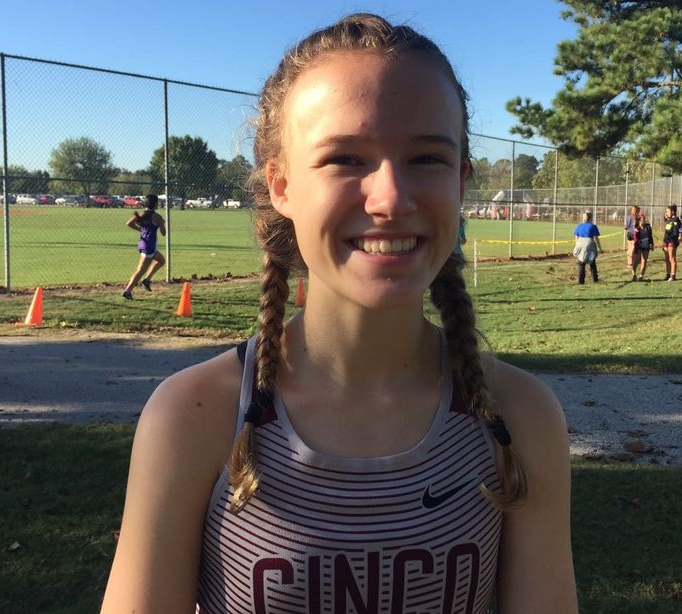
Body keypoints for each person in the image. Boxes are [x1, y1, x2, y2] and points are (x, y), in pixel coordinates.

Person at [101, 14, 577, 613]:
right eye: (345, 159)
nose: (391, 198)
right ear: (282, 186)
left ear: (460, 182)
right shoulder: (196, 417)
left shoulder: (518, 417)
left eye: (426, 159)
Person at [122, 195, 167, 300]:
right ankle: (127, 291)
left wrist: (140, 230)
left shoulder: (142, 214)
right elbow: (164, 233)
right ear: (155, 204)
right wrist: (162, 224)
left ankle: (147, 280)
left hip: (143, 243)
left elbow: (129, 223)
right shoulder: (157, 217)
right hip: (149, 246)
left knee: (161, 261)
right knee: (140, 270)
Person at [573, 210, 602, 284]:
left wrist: (577, 246)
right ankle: (595, 279)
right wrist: (599, 248)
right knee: (592, 262)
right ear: (590, 218)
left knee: (581, 263)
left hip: (580, 243)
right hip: (589, 243)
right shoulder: (593, 226)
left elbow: (576, 236)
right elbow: (596, 238)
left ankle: (581, 281)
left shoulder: (579, 225)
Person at [631, 211, 654, 281]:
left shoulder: (648, 227)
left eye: (644, 219)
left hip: (646, 247)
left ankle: (641, 276)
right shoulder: (637, 228)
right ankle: (634, 275)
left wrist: (652, 244)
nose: (643, 220)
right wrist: (637, 242)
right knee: (636, 261)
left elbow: (650, 237)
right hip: (638, 247)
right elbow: (635, 238)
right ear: (639, 221)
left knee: (644, 261)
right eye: (642, 219)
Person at [662, 205, 681, 281]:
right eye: (666, 211)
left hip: (671, 241)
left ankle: (673, 276)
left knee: (671, 258)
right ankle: (668, 274)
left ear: (672, 212)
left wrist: (677, 237)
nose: (666, 213)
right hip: (666, 241)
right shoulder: (668, 220)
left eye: (668, 211)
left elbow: (677, 230)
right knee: (667, 259)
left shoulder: (675, 219)